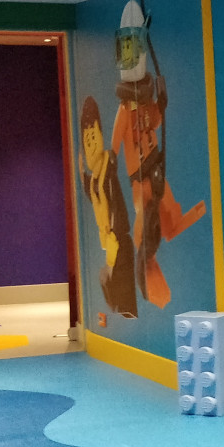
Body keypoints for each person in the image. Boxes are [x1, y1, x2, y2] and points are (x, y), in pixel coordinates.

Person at [109, 0, 206, 308]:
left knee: (166, 198)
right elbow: (115, 140)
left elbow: (155, 122)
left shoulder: (146, 103)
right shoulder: (124, 110)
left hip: (153, 164)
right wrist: (110, 158)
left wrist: (160, 105)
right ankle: (145, 253)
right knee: (145, 211)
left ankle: (173, 224)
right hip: (138, 176)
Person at [78, 97, 137, 318]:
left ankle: (127, 313)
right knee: (116, 294)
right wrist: (83, 176)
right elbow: (93, 195)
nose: (90, 145)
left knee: (121, 295)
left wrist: (110, 265)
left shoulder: (107, 168)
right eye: (87, 140)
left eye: (93, 136)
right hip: (112, 241)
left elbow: (111, 207)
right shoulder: (95, 178)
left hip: (118, 239)